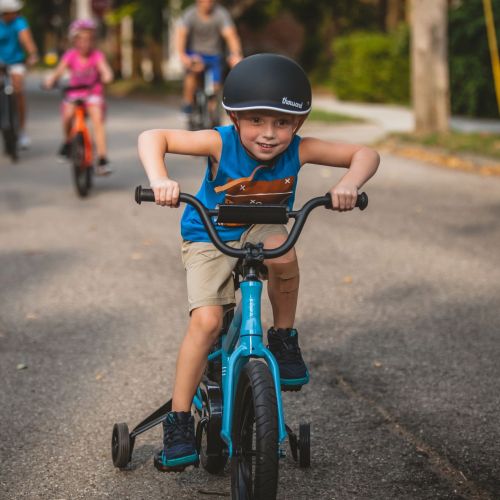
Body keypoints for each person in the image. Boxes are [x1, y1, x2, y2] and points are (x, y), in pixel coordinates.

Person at [138, 53, 380, 471]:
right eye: (256, 121)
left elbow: (365, 153)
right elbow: (152, 137)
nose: (269, 135)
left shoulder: (300, 150)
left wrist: (347, 184)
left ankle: (283, 338)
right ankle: (178, 422)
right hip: (209, 234)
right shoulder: (219, 141)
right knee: (208, 322)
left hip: (261, 228)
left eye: (282, 123)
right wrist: (161, 179)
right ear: (233, 117)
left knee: (284, 251)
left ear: (298, 124)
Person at [44, 19, 113, 175]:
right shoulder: (71, 55)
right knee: (67, 115)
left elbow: (105, 70)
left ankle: (102, 159)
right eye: (80, 39)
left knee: (97, 118)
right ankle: (68, 142)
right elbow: (58, 71)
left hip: (92, 93)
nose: (85, 43)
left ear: (93, 40)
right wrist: (51, 80)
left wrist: (107, 75)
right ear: (74, 40)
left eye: (88, 39)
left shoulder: (97, 56)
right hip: (74, 92)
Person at [176, 0, 242, 124]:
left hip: (214, 56)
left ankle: (212, 113)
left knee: (215, 86)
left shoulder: (221, 14)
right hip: (195, 55)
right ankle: (188, 105)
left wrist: (235, 54)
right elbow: (181, 34)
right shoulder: (190, 14)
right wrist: (183, 55)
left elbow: (230, 35)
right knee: (191, 75)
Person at [0, 0, 39, 149]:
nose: (16, 14)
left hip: (16, 61)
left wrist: (33, 53)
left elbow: (26, 39)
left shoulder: (19, 22)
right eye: (12, 12)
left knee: (18, 91)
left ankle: (21, 130)